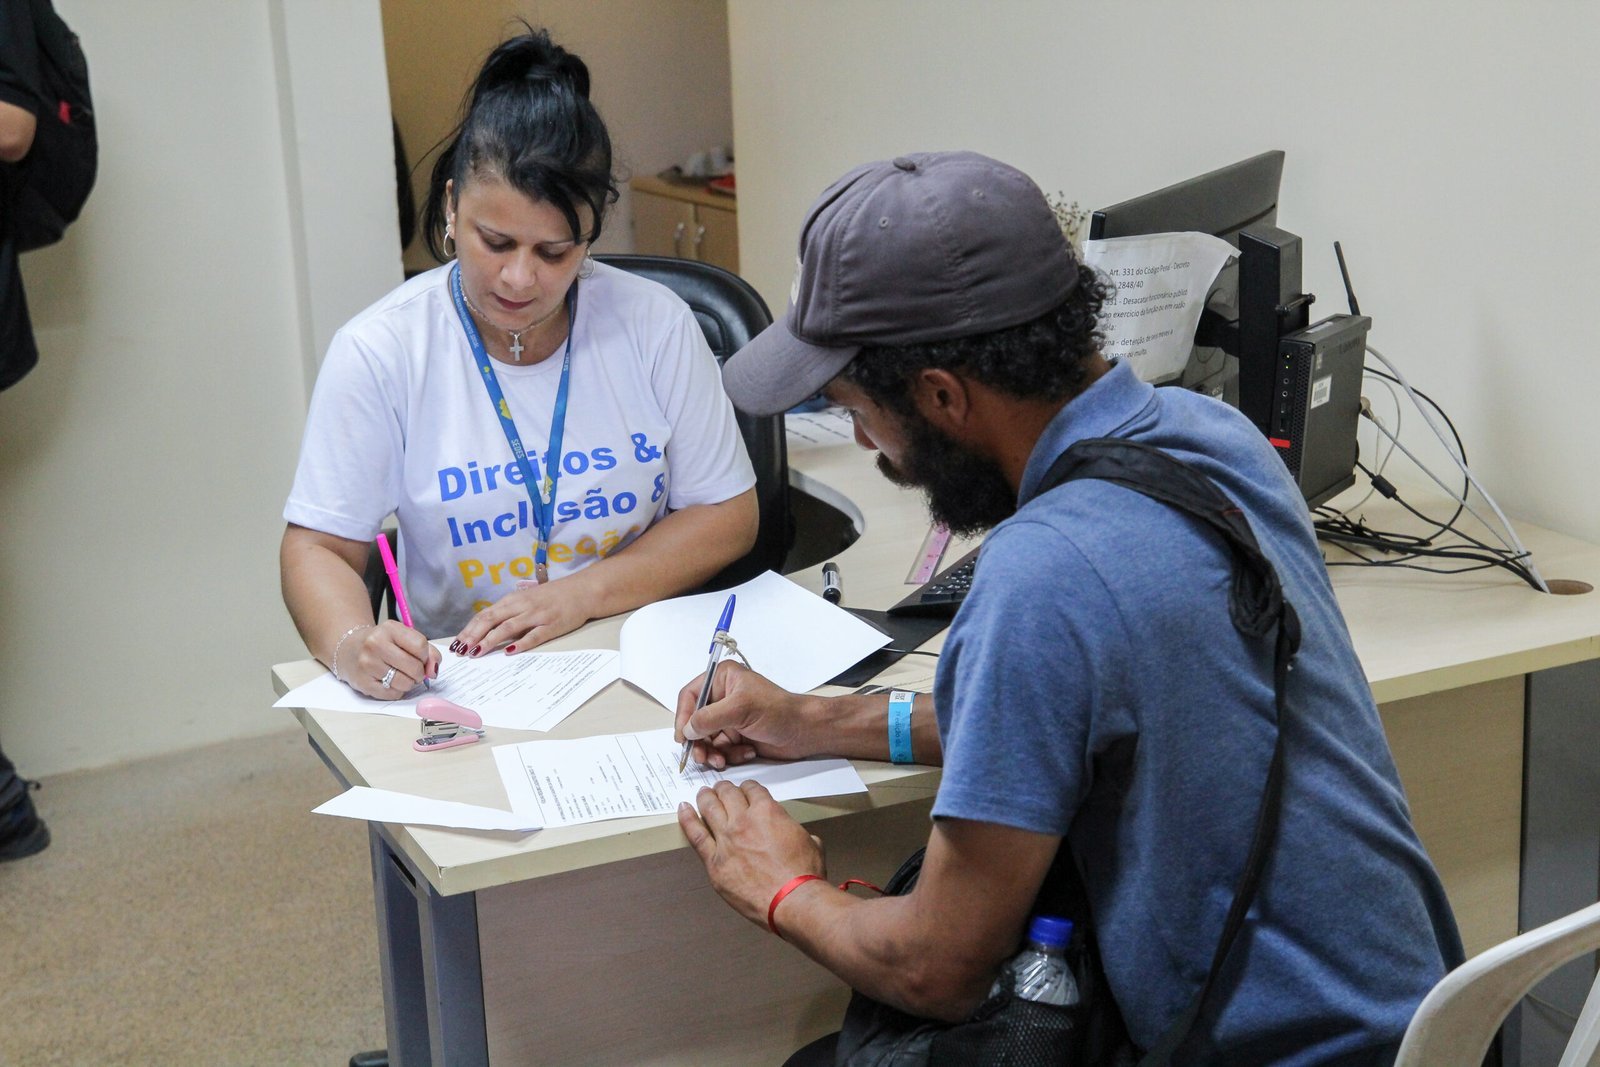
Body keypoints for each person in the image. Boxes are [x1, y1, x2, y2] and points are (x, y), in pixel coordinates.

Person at [673, 151, 1462, 1064]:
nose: (863, 441)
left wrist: (781, 889)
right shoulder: (1218, 440)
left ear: (941, 396)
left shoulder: (1041, 573)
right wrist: (813, 720)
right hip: (1425, 1026)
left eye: (856, 409)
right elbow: (1070, 717)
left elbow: (936, 968)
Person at [281, 28, 757, 699]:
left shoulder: (656, 325)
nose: (519, 278)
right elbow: (318, 548)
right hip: (465, 681)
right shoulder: (382, 350)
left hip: (644, 661)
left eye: (554, 252)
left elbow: (728, 514)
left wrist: (580, 595)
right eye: (495, 242)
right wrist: (352, 642)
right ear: (452, 206)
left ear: (589, 237)